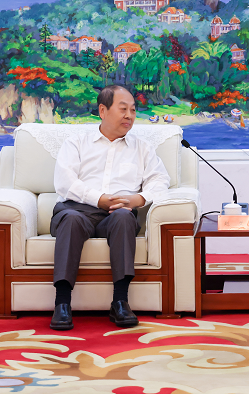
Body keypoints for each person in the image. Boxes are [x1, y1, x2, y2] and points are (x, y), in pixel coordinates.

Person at [49, 85, 170, 330]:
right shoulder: (77, 143)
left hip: (116, 215)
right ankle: (62, 303)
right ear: (103, 111)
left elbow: (160, 181)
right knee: (71, 219)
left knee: (125, 217)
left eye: (133, 110)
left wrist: (138, 199)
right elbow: (64, 182)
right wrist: (99, 199)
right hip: (77, 210)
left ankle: (120, 302)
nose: (129, 116)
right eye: (123, 109)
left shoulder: (142, 148)